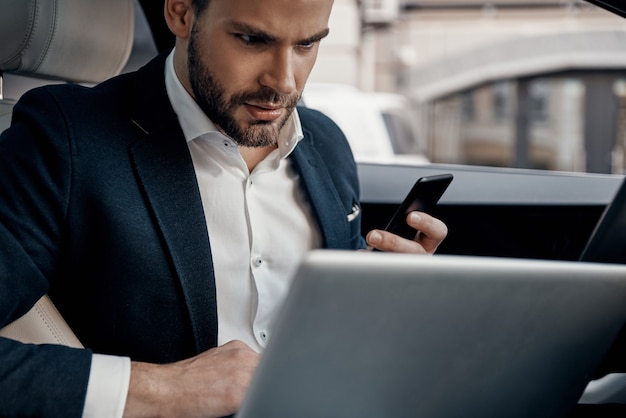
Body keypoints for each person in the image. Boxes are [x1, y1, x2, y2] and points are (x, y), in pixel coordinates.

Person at [0, 0, 448, 416]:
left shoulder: (327, 145)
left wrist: (381, 303)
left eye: (307, 44)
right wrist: (166, 389)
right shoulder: (63, 139)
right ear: (180, 13)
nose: (284, 82)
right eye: (254, 40)